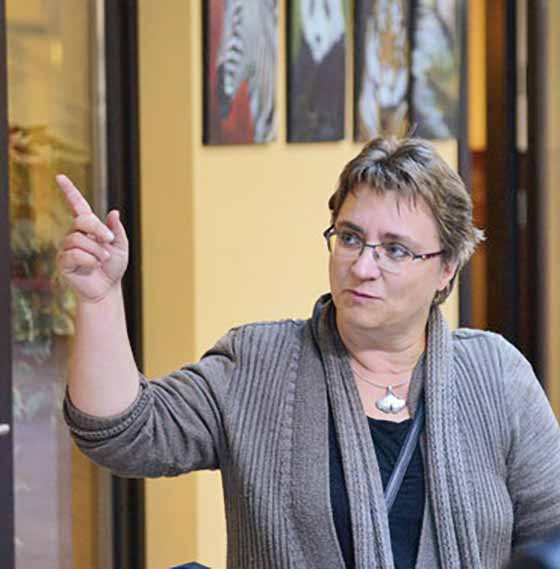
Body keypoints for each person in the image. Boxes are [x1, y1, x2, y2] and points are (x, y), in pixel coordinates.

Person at [59, 137, 560, 569]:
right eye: (351, 238)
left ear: (446, 268)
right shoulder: (259, 363)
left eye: (395, 249)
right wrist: (99, 299)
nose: (362, 267)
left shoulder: (496, 376)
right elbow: (125, 433)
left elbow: (552, 533)